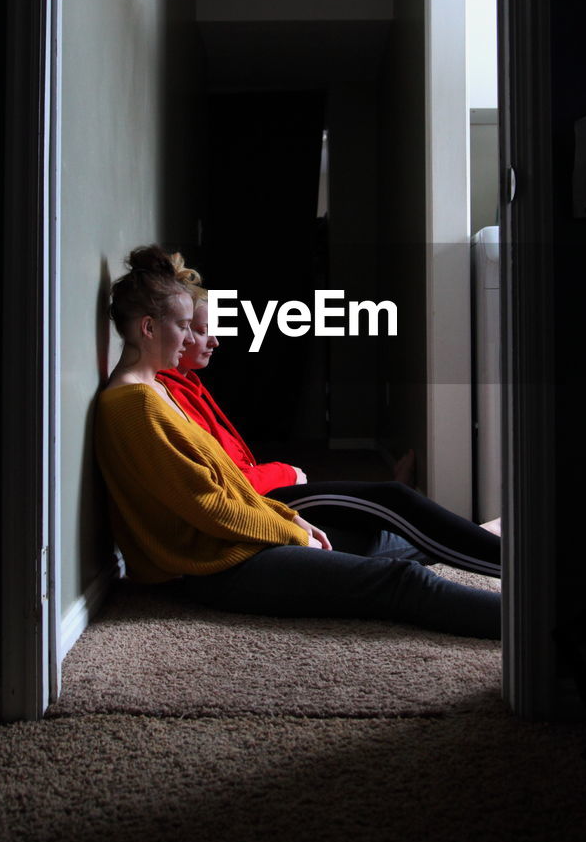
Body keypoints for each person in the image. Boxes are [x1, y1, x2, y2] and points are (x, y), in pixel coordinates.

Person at [94, 244, 501, 639]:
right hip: (216, 567)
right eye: (184, 327)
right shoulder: (134, 404)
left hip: (238, 543)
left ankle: (499, 546)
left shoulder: (159, 391)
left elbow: (228, 486)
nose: (189, 339)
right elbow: (208, 505)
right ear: (148, 328)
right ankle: (534, 626)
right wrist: (290, 532)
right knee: (402, 581)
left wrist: (292, 520)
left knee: (382, 542)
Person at [158, 255, 501, 579]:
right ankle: (507, 558)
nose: (215, 341)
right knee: (390, 499)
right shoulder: (164, 396)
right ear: (172, 329)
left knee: (360, 534)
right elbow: (222, 487)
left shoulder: (188, 384)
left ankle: (477, 537)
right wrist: (287, 472)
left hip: (262, 492)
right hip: (258, 501)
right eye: (202, 331)